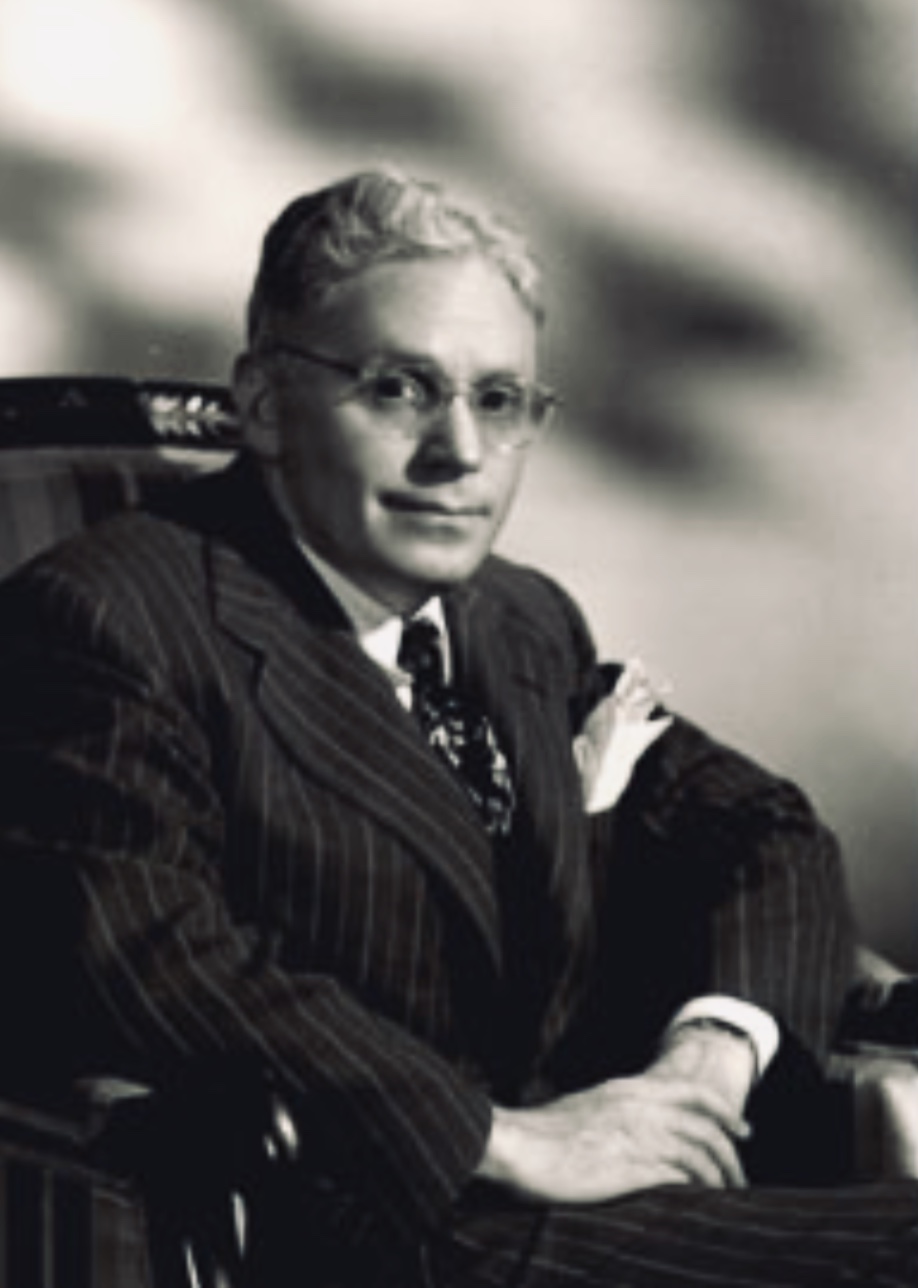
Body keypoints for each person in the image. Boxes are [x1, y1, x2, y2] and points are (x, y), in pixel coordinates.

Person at [0, 169, 915, 1287]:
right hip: (360, 1227)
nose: (460, 452)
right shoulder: (104, 618)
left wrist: (706, 1065)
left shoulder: (518, 619)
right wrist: (506, 1139)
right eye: (400, 389)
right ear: (266, 404)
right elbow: (147, 951)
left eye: (500, 399)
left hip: (597, 1190)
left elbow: (764, 832)